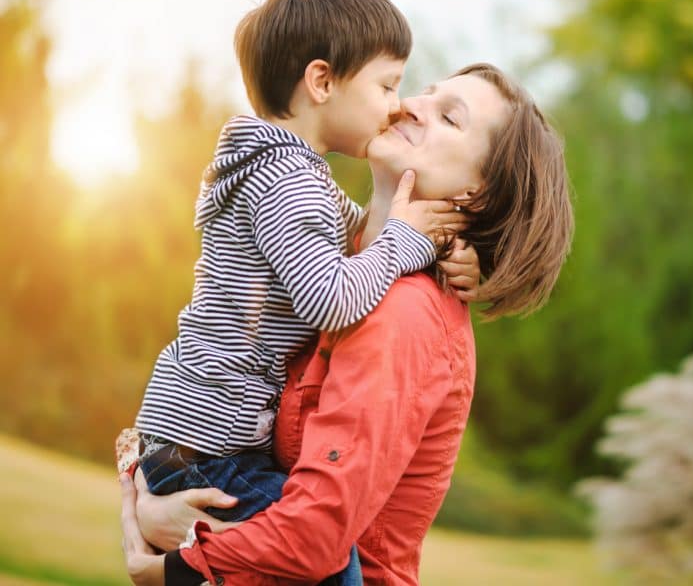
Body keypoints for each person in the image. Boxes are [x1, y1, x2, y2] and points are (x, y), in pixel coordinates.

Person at [120, 63, 574, 585]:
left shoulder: (403, 314)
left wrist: (169, 566)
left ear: (478, 193)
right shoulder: (334, 267)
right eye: (424, 93)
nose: (411, 104)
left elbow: (313, 536)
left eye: (450, 118)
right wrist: (148, 491)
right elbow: (211, 383)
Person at [127, 0, 476, 585]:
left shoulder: (290, 176)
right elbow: (332, 298)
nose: (397, 104)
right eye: (387, 84)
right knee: (323, 558)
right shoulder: (288, 184)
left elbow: (359, 239)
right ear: (322, 81)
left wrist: (450, 246)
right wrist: (404, 242)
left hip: (197, 433)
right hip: (207, 442)